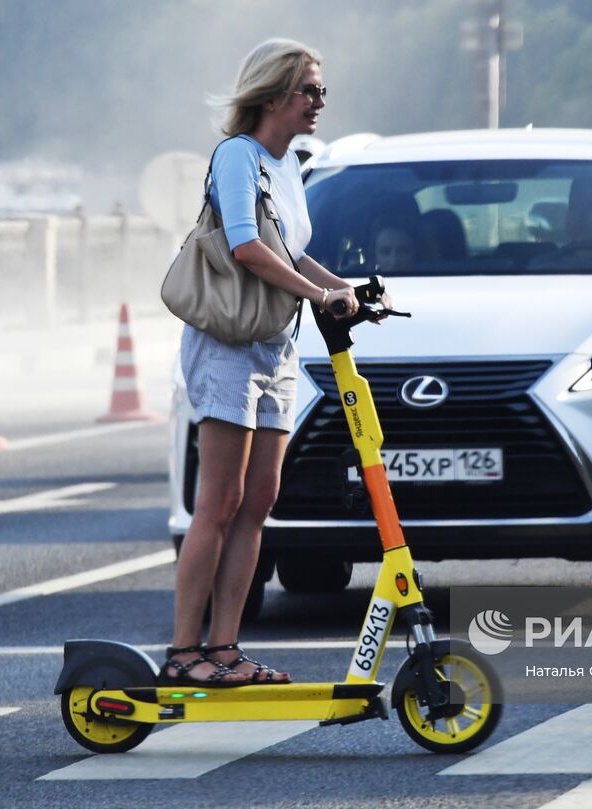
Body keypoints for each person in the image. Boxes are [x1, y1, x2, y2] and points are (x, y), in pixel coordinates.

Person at [169, 38, 358, 686]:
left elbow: (293, 251)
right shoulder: (237, 157)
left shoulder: (286, 165)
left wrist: (349, 289)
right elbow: (248, 248)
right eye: (310, 90)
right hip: (227, 343)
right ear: (274, 94)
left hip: (276, 344)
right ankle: (183, 651)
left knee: (259, 499)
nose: (319, 103)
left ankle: (225, 647)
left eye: (321, 91)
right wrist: (318, 295)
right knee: (217, 500)